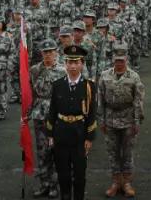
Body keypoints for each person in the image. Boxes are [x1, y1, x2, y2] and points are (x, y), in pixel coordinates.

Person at [47, 44, 98, 200]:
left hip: (79, 134)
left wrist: (89, 137)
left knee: (79, 174)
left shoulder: (89, 86)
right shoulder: (57, 85)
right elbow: (52, 110)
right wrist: (50, 134)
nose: (73, 66)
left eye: (76, 62)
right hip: (61, 133)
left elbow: (92, 113)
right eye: (70, 62)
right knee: (63, 174)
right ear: (65, 64)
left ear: (82, 64)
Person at [96, 43, 144, 197]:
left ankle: (127, 183)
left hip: (128, 119)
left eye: (121, 60)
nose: (119, 63)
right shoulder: (105, 76)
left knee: (127, 152)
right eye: (117, 60)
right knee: (113, 153)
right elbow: (100, 99)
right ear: (113, 60)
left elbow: (138, 100)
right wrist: (101, 120)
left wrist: (137, 121)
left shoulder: (134, 77)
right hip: (110, 119)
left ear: (126, 60)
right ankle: (116, 182)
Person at [31, 40, 66, 198]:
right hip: (39, 115)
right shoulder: (35, 70)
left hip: (56, 116)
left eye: (51, 51)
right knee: (42, 152)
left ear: (56, 52)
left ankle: (54, 185)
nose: (48, 55)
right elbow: (31, 93)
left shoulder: (63, 71)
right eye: (45, 52)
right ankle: (44, 183)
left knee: (56, 151)